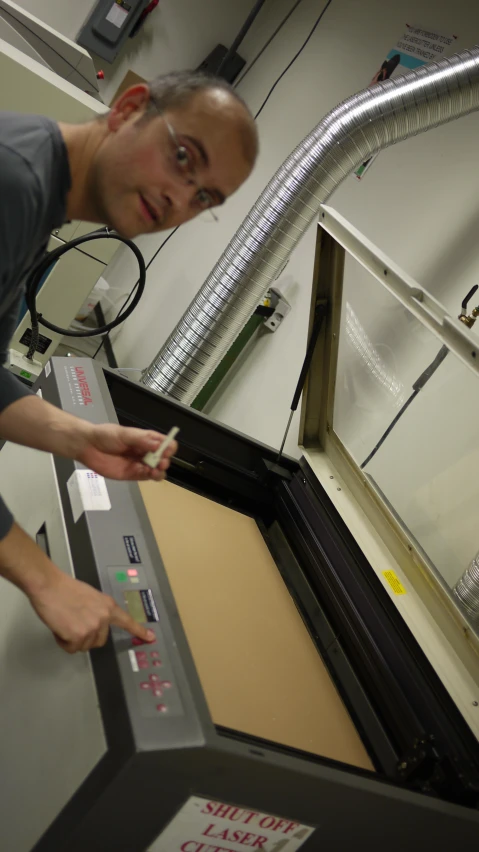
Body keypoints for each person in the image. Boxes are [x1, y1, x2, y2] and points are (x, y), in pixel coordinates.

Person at [0, 71, 258, 654]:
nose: (179, 199)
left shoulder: (39, 193)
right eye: (183, 158)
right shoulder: (14, 183)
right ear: (128, 108)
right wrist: (43, 580)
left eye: (205, 199)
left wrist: (78, 438)